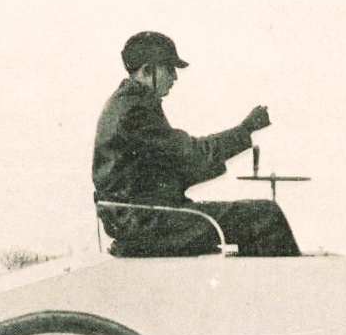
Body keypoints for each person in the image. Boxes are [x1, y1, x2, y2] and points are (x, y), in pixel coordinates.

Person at [93, 31, 300, 257]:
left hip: (138, 220)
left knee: (249, 217)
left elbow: (175, 169)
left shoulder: (126, 103)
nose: (175, 77)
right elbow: (192, 156)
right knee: (266, 215)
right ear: (147, 70)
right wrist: (246, 129)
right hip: (148, 223)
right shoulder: (135, 110)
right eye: (169, 69)